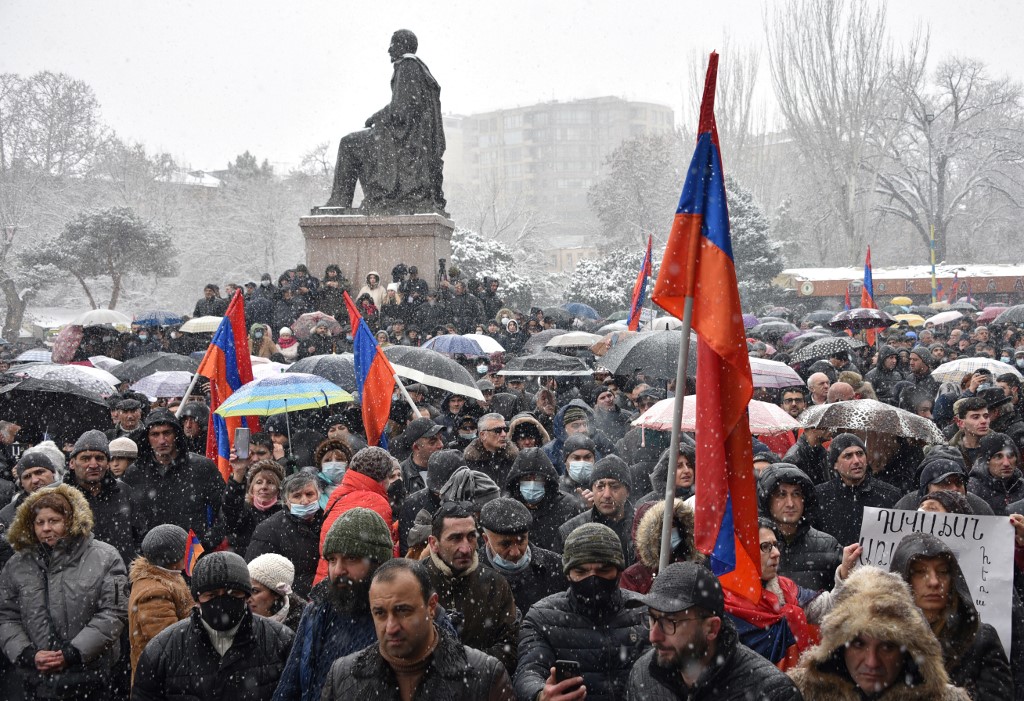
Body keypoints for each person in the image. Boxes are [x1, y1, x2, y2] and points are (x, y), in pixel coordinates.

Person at [0, 484, 128, 700]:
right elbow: (7, 616)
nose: (46, 528)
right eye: (39, 522)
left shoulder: (105, 557)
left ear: (71, 521)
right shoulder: (17, 564)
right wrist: (27, 654)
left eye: (54, 521)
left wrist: (73, 653)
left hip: (92, 676)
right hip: (36, 679)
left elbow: (113, 613)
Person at [320, 558, 514, 700]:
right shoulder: (343, 676)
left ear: (431, 606)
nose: (391, 627)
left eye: (403, 610)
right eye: (380, 613)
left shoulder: (484, 675)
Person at [626, 562, 802, 700]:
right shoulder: (643, 675)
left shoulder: (772, 693)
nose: (653, 636)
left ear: (711, 628)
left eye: (670, 622)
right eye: (652, 619)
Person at [788, 566, 970, 700]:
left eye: (887, 647)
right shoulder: (796, 694)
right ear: (838, 648)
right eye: (859, 644)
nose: (872, 662)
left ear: (907, 651)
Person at [131, 552, 294, 701]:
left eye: (233, 593)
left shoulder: (281, 641)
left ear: (246, 596)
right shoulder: (163, 650)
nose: (222, 601)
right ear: (197, 599)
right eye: (212, 595)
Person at [514, 522, 648, 700]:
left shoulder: (641, 611)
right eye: (581, 571)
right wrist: (541, 694)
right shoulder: (541, 618)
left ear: (618, 571)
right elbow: (528, 671)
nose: (592, 579)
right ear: (568, 573)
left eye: (603, 570)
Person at [272, 508, 395, 701]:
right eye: (332, 560)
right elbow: (289, 687)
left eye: (351, 558)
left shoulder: (400, 618)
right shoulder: (316, 611)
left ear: (379, 563)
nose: (338, 570)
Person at [323, 29, 446, 214]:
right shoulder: (421, 69)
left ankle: (340, 201)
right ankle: (348, 199)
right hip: (413, 143)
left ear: (403, 46)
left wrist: (376, 117)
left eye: (392, 44)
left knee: (348, 143)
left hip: (405, 144)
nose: (389, 50)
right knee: (356, 142)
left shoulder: (408, 66)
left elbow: (401, 110)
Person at [888, 532, 1012, 700]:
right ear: (903, 578)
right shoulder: (880, 640)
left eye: (943, 571)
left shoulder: (981, 639)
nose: (934, 581)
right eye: (919, 571)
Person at [423, 501, 519, 671]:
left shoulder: (495, 584)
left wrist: (466, 666)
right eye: (455, 538)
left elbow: (509, 647)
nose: (466, 548)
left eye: (471, 536)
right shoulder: (416, 581)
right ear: (433, 543)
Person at [122, 408, 224, 548]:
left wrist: (205, 543)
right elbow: (126, 518)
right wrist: (139, 547)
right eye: (155, 434)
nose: (162, 440)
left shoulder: (201, 467)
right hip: (149, 558)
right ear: (147, 438)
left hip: (192, 556)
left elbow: (225, 510)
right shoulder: (135, 472)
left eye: (167, 433)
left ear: (176, 434)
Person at [65, 428, 147, 567]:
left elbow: (140, 536)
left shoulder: (124, 492)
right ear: (72, 463)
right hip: (77, 581)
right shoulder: (61, 497)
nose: (93, 464)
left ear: (107, 463)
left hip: (121, 577)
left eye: (100, 458)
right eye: (85, 458)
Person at [315, 446, 397, 586]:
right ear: (384, 478)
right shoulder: (376, 502)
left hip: (327, 578)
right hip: (352, 584)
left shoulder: (338, 494)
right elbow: (381, 552)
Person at [757, 463, 842, 591]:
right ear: (767, 500)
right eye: (781, 494)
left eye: (796, 494)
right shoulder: (753, 546)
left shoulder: (827, 545)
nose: (790, 503)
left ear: (805, 499)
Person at [478, 497, 567, 616]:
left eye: (521, 541)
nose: (515, 552)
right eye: (505, 544)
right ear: (486, 539)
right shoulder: (473, 573)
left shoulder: (555, 566)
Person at [127, 524, 195, 681]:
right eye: (186, 551)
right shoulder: (154, 594)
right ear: (173, 559)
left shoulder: (168, 577)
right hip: (160, 682)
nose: (190, 554)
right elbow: (169, 644)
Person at [246, 472, 324, 598]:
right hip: (288, 600)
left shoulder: (328, 521)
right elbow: (255, 574)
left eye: (309, 494)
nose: (304, 501)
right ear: (286, 500)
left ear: (318, 495)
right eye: (297, 496)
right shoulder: (269, 529)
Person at [814, 434, 901, 546]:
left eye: (860, 454)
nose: (856, 461)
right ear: (835, 464)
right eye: (848, 456)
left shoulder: (890, 495)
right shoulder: (820, 496)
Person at [558, 455, 636, 564]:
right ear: (592, 489)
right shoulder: (571, 530)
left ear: (627, 491)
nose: (607, 494)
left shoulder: (643, 528)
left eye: (614, 486)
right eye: (600, 487)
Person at [503, 447, 581, 553]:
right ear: (517, 481)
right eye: (526, 478)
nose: (532, 484)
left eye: (538, 478)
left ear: (547, 481)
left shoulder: (569, 506)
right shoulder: (506, 507)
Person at [620, 497, 702, 595]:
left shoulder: (696, 569)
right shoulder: (633, 576)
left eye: (673, 524)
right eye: (662, 526)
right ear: (647, 534)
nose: (670, 530)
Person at [220, 458, 286, 554]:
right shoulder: (243, 512)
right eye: (259, 482)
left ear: (279, 490)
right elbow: (231, 507)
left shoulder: (284, 514)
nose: (264, 487)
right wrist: (238, 474)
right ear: (251, 489)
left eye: (270, 482)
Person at [968, 431, 1024, 515]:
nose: (1006, 463)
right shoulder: (972, 489)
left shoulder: (1021, 486)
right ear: (986, 461)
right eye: (998, 456)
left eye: (1010, 456)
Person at [464, 413, 519, 485]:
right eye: (497, 430)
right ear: (483, 435)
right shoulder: (468, 463)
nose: (504, 434)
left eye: (505, 429)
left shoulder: (515, 459)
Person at [397, 417, 444, 493]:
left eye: (440, 439)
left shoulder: (449, 467)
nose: (441, 445)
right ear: (416, 447)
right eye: (432, 442)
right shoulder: (401, 475)